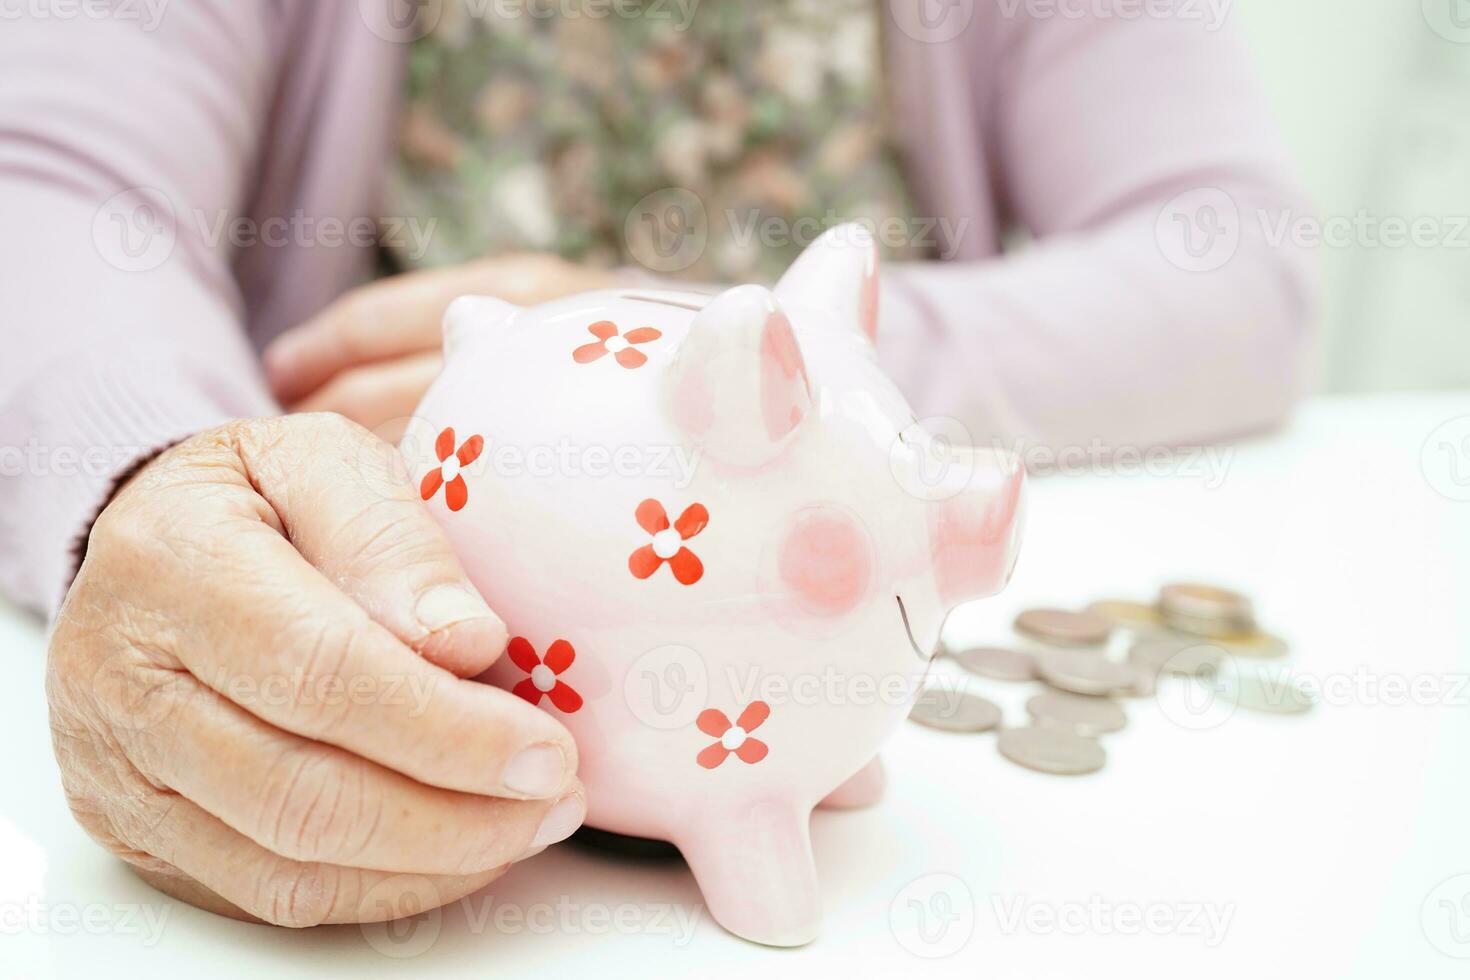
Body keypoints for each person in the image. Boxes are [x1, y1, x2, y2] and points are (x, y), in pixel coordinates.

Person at [0, 1, 1315, 926]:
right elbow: (48, 190)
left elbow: (1232, 260)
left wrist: (690, 341)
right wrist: (161, 475)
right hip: (373, 567)